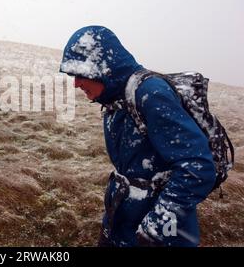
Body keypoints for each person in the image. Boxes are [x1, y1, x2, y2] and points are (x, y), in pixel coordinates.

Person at [59, 26, 216, 247]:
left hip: (160, 233)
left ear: (102, 69)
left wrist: (158, 225)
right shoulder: (114, 98)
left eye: (79, 74)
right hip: (122, 220)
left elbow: (198, 166)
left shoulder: (150, 94)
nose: (75, 83)